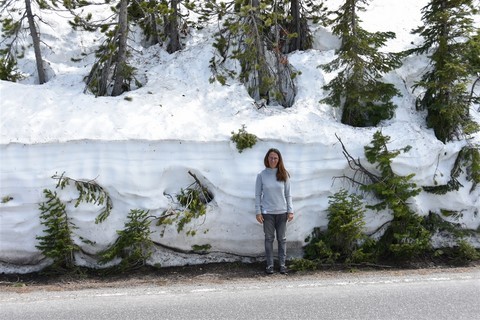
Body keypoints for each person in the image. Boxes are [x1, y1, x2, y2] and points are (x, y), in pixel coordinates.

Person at [255, 148, 294, 274]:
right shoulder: (261, 175)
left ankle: (282, 265)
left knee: (282, 239)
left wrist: (290, 210)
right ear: (267, 159)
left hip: (282, 213)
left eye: (275, 158)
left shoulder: (283, 174)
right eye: (271, 158)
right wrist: (258, 212)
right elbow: (257, 195)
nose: (273, 160)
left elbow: (288, 195)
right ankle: (270, 265)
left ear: (279, 160)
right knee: (269, 239)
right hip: (267, 213)